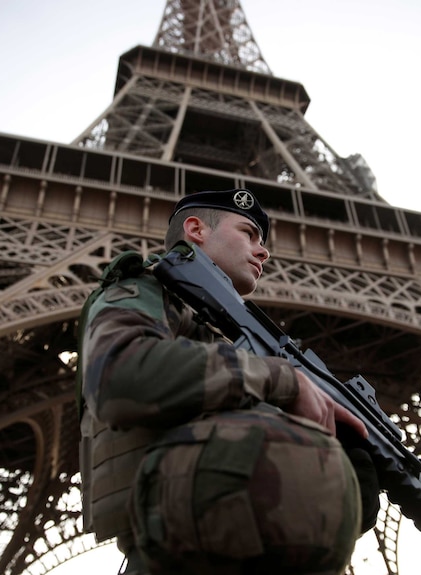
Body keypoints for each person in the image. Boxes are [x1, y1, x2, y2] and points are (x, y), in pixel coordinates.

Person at [77, 188, 379, 574]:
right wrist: (285, 380)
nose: (264, 250)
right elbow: (119, 375)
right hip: (183, 552)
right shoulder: (145, 290)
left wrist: (342, 480)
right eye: (249, 233)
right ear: (196, 229)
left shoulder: (234, 341)